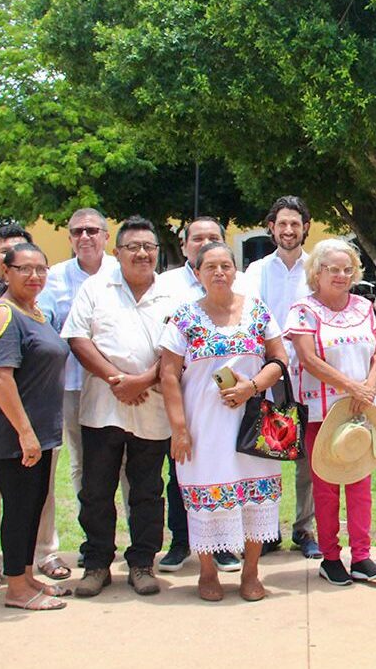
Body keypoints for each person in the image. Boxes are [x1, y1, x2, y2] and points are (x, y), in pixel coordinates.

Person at [159, 242, 286, 602]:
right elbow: (168, 374)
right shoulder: (183, 317)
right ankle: (207, 571)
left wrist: (253, 386)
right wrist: (179, 429)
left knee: (255, 498)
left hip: (251, 424)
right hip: (203, 428)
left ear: (235, 271)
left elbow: (279, 359)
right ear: (197, 274)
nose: (219, 272)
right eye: (210, 267)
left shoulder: (258, 312)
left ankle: (250, 573)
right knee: (205, 497)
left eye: (226, 266)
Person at [63, 217, 177, 597]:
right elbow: (78, 339)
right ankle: (97, 564)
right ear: (117, 252)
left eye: (149, 247)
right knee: (96, 490)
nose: (142, 253)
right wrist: (117, 380)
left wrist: (142, 381)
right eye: (133, 247)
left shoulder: (173, 294)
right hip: (103, 407)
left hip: (154, 408)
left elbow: (181, 348)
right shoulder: (96, 289)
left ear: (157, 253)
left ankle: (143, 563)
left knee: (147, 490)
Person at [0, 224, 70, 589]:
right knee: (18, 509)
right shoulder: (4, 314)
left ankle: (25, 576)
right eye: (24, 269)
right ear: (5, 272)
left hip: (40, 431)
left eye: (41, 269)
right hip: (13, 434)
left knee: (32, 506)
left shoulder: (35, 311)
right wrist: (25, 433)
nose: (35, 276)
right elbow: (0, 378)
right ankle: (17, 589)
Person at [286, 238, 376, 585]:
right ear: (317, 272)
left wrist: (369, 385)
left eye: (348, 269)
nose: (342, 275)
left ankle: (362, 556)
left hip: (361, 410)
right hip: (323, 412)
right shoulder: (303, 310)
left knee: (361, 482)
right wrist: (352, 387)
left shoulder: (362, 306)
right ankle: (331, 558)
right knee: (326, 487)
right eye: (334, 269)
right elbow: (308, 359)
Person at [234, 196, 320, 559]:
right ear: (271, 227)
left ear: (305, 228)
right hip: (270, 374)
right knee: (267, 450)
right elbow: (250, 319)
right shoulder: (255, 272)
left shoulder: (315, 269)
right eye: (282, 224)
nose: (288, 230)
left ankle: (305, 529)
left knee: (309, 457)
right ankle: (265, 532)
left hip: (311, 373)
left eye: (295, 224)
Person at [152, 216, 239, 573]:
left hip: (231, 401)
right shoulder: (167, 284)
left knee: (229, 472)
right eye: (198, 238)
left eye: (213, 238)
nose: (205, 243)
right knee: (183, 472)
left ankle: (224, 546)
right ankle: (181, 540)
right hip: (188, 398)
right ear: (186, 244)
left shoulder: (240, 285)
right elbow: (164, 343)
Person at [41, 207, 119, 568]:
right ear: (70, 238)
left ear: (106, 236)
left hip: (122, 385)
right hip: (72, 385)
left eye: (92, 230)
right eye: (77, 232)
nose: (84, 237)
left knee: (129, 460)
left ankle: (134, 536)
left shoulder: (123, 273)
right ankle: (94, 534)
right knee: (82, 463)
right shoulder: (54, 278)